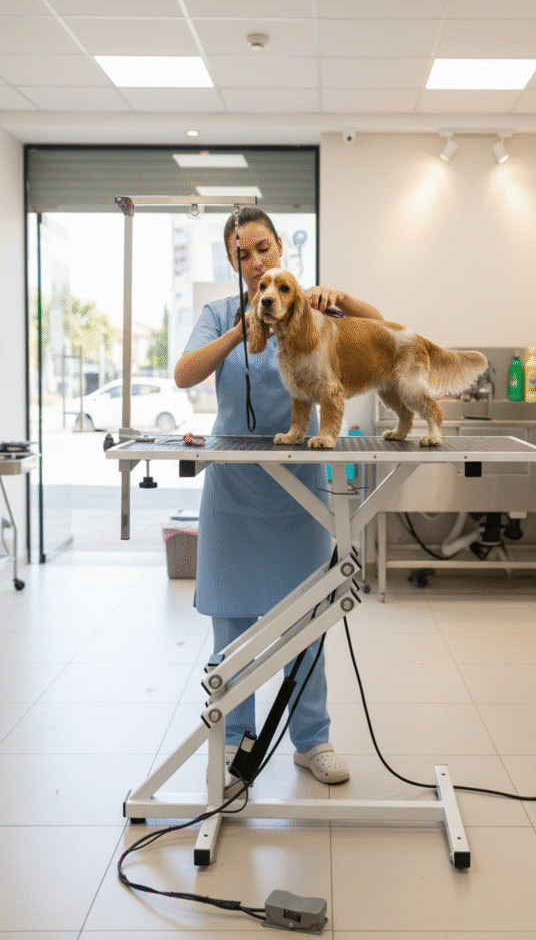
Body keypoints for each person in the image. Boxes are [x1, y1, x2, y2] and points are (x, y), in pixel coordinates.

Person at [175, 206, 383, 791]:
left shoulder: (305, 304)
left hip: (300, 492)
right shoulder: (221, 313)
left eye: (263, 248)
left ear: (280, 247)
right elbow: (185, 374)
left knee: (307, 621)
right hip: (234, 490)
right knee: (232, 623)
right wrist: (241, 330)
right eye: (242, 254)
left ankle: (312, 740)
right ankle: (236, 736)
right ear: (233, 262)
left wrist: (343, 299)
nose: (255, 261)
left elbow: (382, 330)